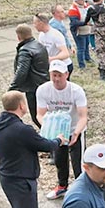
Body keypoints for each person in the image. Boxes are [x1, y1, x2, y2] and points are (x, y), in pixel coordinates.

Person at [36, 60, 88, 199]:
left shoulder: (76, 91)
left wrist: (76, 133)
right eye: (54, 75)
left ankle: (81, 190)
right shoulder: (43, 90)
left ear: (67, 74)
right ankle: (62, 186)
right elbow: (40, 114)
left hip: (75, 128)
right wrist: (48, 127)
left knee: (79, 162)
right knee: (60, 160)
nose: (56, 79)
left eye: (59, 75)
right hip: (57, 132)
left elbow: (83, 116)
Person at [8, 24, 49, 128]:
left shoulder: (25, 51)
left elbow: (22, 71)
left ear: (18, 36)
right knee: (45, 113)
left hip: (33, 87)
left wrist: (12, 88)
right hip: (45, 84)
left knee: (37, 116)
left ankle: (49, 138)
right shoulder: (40, 45)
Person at [33, 12, 73, 78]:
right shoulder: (41, 35)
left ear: (41, 23)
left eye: (35, 23)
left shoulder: (56, 35)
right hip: (52, 66)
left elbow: (66, 53)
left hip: (64, 66)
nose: (34, 25)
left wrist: (51, 59)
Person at [85, 0, 105, 80]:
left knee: (100, 50)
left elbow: (87, 19)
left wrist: (87, 23)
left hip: (98, 30)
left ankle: (102, 71)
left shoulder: (92, 9)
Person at [68, 0, 94, 70]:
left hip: (86, 30)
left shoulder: (85, 6)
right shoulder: (73, 10)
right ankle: (81, 64)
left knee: (86, 45)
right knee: (81, 48)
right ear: (77, 0)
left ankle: (87, 58)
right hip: (79, 31)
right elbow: (74, 22)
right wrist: (85, 23)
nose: (83, 0)